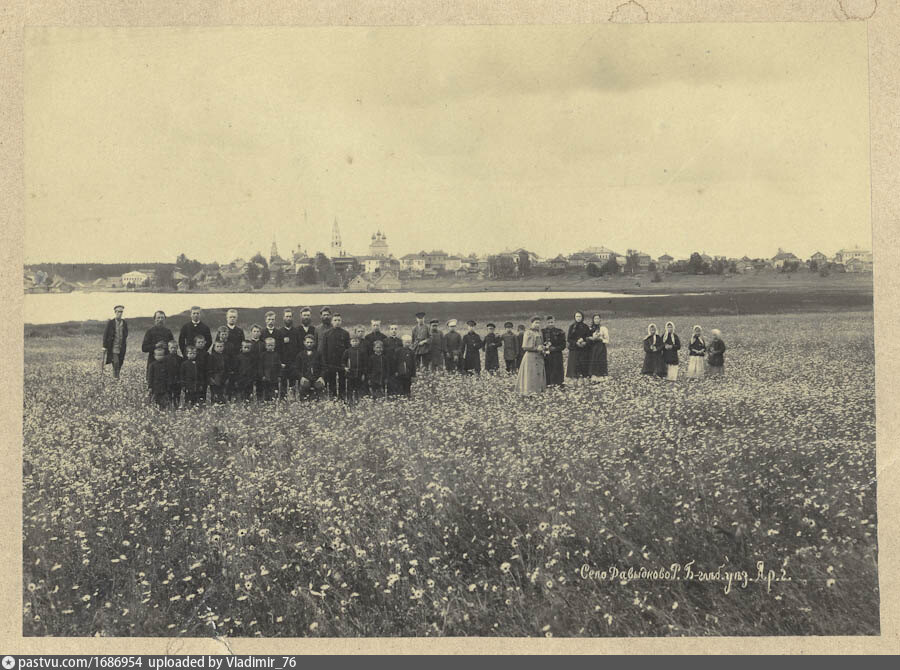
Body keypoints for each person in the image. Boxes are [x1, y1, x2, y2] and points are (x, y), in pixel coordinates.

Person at [516, 316, 547, 396]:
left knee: (538, 374)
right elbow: (525, 347)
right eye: (536, 323)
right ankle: (529, 392)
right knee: (530, 375)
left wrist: (543, 347)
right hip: (530, 357)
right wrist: (537, 348)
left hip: (539, 357)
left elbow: (541, 343)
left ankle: (538, 391)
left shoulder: (539, 332)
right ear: (532, 323)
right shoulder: (528, 333)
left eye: (539, 323)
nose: (537, 324)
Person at [322, 313, 351, 399]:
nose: (337, 322)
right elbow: (324, 350)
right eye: (335, 320)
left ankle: (342, 398)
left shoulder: (345, 333)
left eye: (339, 320)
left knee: (342, 381)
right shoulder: (327, 334)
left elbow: (348, 349)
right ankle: (333, 398)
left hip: (342, 362)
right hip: (331, 363)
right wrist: (325, 363)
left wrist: (346, 363)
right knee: (331, 382)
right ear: (331, 321)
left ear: (341, 321)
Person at [277, 309, 303, 399]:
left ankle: (293, 401)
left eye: (290, 316)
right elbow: (278, 349)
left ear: (292, 318)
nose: (288, 318)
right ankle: (283, 401)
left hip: (294, 363)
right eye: (286, 316)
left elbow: (300, 348)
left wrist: (298, 362)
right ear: (283, 318)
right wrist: (280, 362)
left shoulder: (296, 331)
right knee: (283, 384)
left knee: (293, 384)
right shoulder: (279, 332)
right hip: (283, 364)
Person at [142, 311, 175, 378]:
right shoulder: (150, 332)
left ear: (165, 319)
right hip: (153, 361)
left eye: (162, 318)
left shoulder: (168, 332)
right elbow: (144, 348)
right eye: (158, 318)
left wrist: (168, 347)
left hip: (166, 361)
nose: (160, 320)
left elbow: (173, 346)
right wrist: (155, 346)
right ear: (154, 319)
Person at [222, 309, 245, 400]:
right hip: (225, 359)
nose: (232, 319)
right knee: (226, 380)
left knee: (235, 379)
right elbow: (217, 344)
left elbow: (242, 345)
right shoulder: (223, 330)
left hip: (236, 359)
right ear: (227, 318)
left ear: (237, 318)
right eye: (230, 317)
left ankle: (235, 399)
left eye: (234, 317)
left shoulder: (239, 331)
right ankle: (225, 398)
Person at [102, 305, 129, 379]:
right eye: (118, 312)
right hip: (113, 347)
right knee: (115, 362)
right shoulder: (110, 323)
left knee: (120, 363)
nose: (120, 313)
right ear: (115, 312)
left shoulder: (124, 323)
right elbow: (105, 334)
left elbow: (126, 333)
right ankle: (115, 378)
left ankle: (117, 376)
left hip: (121, 346)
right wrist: (104, 346)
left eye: (121, 312)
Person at [566, 311, 592, 384]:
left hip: (583, 348)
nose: (578, 318)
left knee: (583, 363)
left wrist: (584, 342)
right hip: (574, 348)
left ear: (582, 317)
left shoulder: (585, 327)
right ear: (574, 317)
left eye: (579, 316)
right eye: (577, 316)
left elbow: (588, 337)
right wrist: (576, 343)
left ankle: (584, 378)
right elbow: (569, 338)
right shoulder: (572, 327)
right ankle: (574, 378)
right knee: (574, 363)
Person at [297, 334, 326, 399]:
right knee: (305, 386)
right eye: (307, 342)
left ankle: (319, 404)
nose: (309, 344)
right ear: (304, 343)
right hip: (305, 378)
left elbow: (324, 367)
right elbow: (296, 368)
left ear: (314, 343)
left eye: (311, 342)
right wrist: (301, 377)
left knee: (319, 386)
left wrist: (321, 377)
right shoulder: (300, 355)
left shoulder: (318, 354)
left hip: (316, 377)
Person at [342, 334, 368, 404]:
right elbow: (343, 361)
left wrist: (363, 374)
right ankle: (349, 400)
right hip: (350, 374)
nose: (355, 343)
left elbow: (365, 364)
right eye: (353, 341)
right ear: (350, 342)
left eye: (356, 341)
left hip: (359, 373)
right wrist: (345, 367)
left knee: (358, 388)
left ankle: (357, 400)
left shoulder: (362, 352)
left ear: (359, 342)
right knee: (350, 388)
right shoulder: (347, 351)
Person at [541, 315, 566, 386]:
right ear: (546, 323)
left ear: (554, 322)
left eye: (552, 322)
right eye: (549, 322)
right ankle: (547, 384)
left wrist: (555, 348)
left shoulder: (560, 331)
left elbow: (563, 345)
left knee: (557, 369)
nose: (550, 324)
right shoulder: (542, 332)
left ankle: (558, 384)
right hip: (546, 354)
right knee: (547, 369)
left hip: (557, 355)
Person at [259, 337, 284, 402]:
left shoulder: (276, 355)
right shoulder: (263, 355)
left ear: (274, 346)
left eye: (271, 345)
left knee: (274, 389)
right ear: (265, 346)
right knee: (266, 389)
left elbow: (279, 366)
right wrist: (262, 375)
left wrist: (279, 375)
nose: (270, 347)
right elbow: (260, 366)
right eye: (268, 345)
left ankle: (274, 400)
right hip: (266, 375)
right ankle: (265, 401)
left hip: (274, 375)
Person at [147, 344, 172, 410]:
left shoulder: (166, 364)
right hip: (156, 386)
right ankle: (157, 409)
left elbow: (168, 375)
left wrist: (169, 384)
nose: (160, 357)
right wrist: (150, 386)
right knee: (156, 399)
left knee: (164, 399)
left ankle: (164, 408)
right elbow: (150, 377)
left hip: (164, 386)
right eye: (158, 355)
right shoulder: (152, 365)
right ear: (154, 356)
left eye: (161, 355)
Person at [588, 314, 609, 380]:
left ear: (600, 320)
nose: (596, 320)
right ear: (593, 320)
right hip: (593, 346)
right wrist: (592, 338)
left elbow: (607, 340)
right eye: (595, 319)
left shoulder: (603, 328)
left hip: (601, 347)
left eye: (598, 318)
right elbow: (588, 337)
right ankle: (594, 375)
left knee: (601, 360)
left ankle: (602, 374)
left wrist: (601, 339)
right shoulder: (590, 328)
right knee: (594, 360)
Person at [207, 339, 228, 404]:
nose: (219, 348)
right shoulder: (211, 356)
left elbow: (227, 368)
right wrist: (211, 378)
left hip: (223, 377)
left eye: (221, 346)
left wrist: (227, 378)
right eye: (217, 346)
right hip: (215, 378)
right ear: (214, 347)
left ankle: (223, 406)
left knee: (223, 394)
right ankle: (215, 406)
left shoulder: (225, 357)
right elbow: (209, 368)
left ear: (223, 347)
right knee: (215, 394)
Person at [164, 340, 183, 408]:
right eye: (171, 348)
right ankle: (168, 406)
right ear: (168, 348)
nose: (173, 349)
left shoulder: (180, 359)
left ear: (177, 348)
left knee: (177, 394)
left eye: (175, 347)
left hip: (177, 380)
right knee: (168, 394)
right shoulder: (165, 359)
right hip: (169, 380)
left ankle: (176, 406)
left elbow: (181, 371)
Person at [192, 334, 210, 404]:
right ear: (195, 343)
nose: (201, 344)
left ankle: (202, 405)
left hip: (203, 376)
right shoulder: (193, 353)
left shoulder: (206, 354)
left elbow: (208, 366)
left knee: (203, 392)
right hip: (195, 376)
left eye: (202, 342)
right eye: (199, 342)